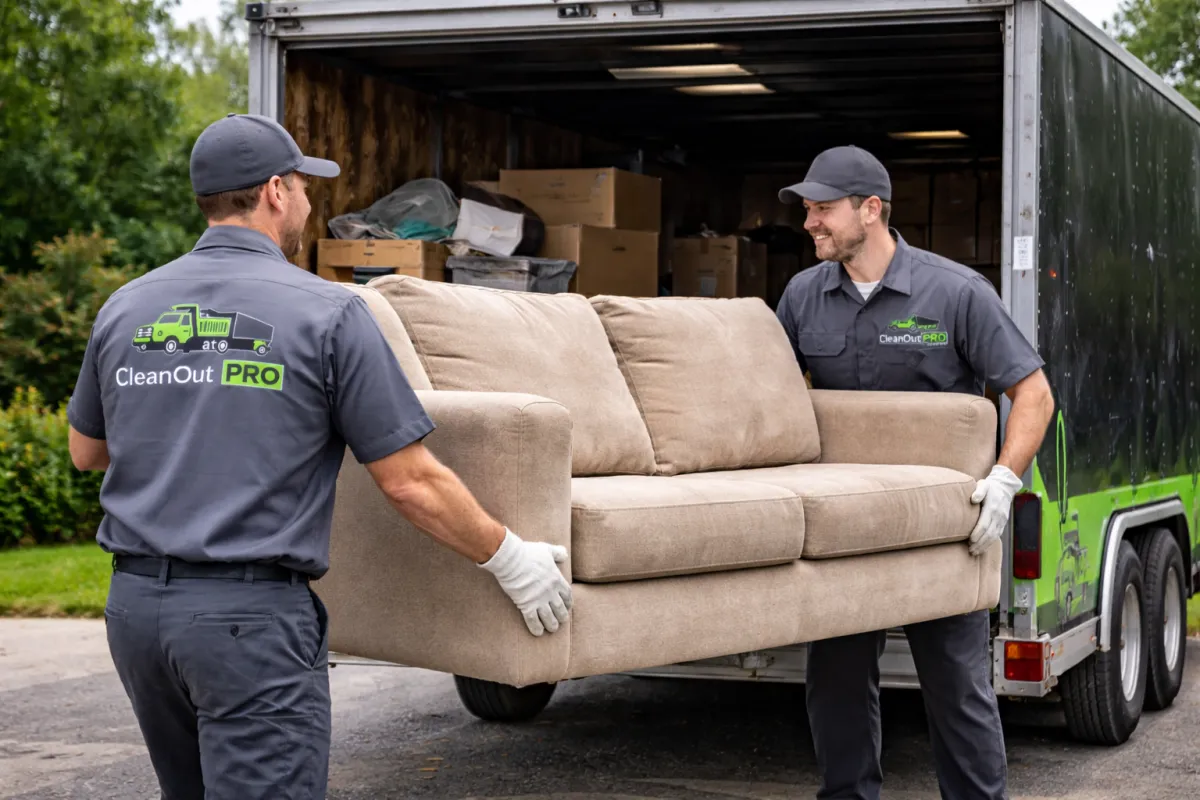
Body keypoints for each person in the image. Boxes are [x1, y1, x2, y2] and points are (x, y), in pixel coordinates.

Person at [65, 113, 572, 800]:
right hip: (247, 622)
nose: (309, 202)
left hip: (136, 614)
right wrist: (510, 558)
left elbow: (87, 450)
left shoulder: (126, 306)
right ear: (275, 191)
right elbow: (410, 481)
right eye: (304, 186)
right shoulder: (328, 312)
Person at [775, 145, 1056, 800]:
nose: (809, 223)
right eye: (808, 210)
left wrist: (1005, 479)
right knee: (836, 681)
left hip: (940, 530)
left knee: (956, 684)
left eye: (823, 209)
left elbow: (1033, 393)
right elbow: (773, 401)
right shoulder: (802, 296)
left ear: (870, 209)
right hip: (847, 529)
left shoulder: (955, 293)